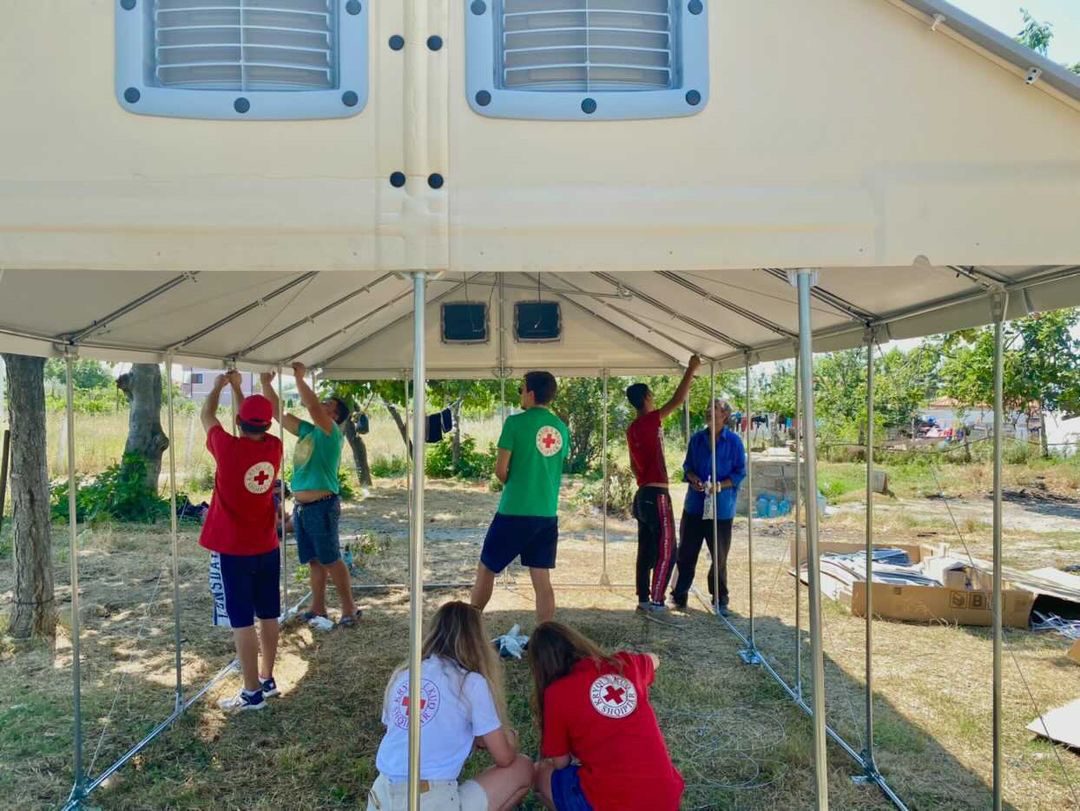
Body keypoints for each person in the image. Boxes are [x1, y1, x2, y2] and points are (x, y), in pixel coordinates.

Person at [367, 601, 534, 811]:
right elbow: (504, 757)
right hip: (429, 800)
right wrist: (510, 739)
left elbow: (412, 730)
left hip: (381, 795)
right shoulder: (470, 683)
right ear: (477, 640)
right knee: (522, 767)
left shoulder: (403, 675)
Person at [529, 622, 684, 811]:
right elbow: (653, 659)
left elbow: (560, 763)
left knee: (539, 773)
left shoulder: (555, 694)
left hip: (614, 803)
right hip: (666, 799)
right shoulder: (624, 664)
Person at [199, 371, 284, 711]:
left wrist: (219, 386)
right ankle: (267, 677)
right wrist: (237, 388)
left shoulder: (226, 447)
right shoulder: (275, 448)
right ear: (267, 425)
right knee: (269, 615)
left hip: (234, 550)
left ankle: (251, 693)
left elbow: (208, 416)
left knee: (242, 621)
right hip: (267, 546)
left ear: (238, 421)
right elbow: (247, 422)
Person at [261, 364, 359, 626]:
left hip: (322, 506)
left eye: (328, 403)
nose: (321, 404)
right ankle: (318, 608)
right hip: (304, 508)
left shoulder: (331, 433)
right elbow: (278, 414)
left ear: (335, 415)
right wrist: (266, 384)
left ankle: (350, 608)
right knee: (314, 560)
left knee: (330, 558)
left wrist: (298, 378)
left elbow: (313, 406)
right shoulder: (309, 431)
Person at [471, 371, 569, 623]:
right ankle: (546, 639)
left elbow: (501, 471)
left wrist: (511, 480)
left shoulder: (514, 424)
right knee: (541, 579)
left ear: (531, 393)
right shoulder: (561, 428)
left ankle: (470, 626)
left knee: (487, 567)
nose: (519, 394)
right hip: (547, 512)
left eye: (521, 389)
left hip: (514, 511)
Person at [624, 354, 701, 613]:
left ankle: (643, 597)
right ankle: (657, 600)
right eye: (652, 395)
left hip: (643, 491)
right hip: (656, 492)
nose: (654, 398)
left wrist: (642, 478)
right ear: (646, 398)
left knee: (645, 547)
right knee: (668, 546)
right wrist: (691, 369)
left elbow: (633, 464)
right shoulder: (649, 420)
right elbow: (678, 400)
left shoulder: (632, 427)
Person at [670, 399, 746, 615]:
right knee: (686, 552)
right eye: (708, 409)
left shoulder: (734, 442)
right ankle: (678, 595)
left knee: (719, 556)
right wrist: (694, 479)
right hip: (695, 506)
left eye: (715, 409)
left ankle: (720, 598)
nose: (709, 412)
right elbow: (687, 468)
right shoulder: (697, 439)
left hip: (721, 509)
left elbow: (740, 472)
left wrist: (720, 485)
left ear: (724, 415)